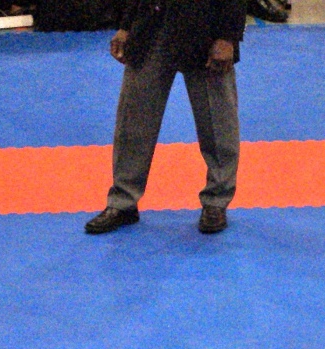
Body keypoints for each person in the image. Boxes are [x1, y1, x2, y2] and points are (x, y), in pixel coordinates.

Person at [85, 0, 248, 236]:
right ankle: (123, 202)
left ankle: (216, 201)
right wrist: (126, 25)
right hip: (151, 24)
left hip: (206, 27)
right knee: (133, 118)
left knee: (217, 122)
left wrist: (227, 36)